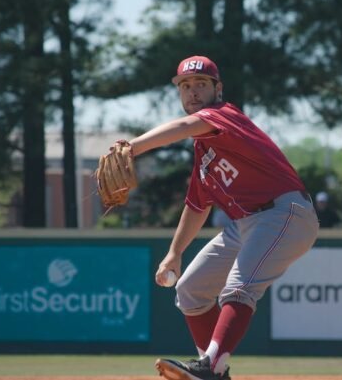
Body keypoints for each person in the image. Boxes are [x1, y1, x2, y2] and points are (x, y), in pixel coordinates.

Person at [125, 55, 319, 380]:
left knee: (238, 288)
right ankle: (216, 370)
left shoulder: (224, 116)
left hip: (285, 213)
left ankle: (211, 367)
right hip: (244, 225)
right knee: (190, 289)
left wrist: (132, 147)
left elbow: (185, 126)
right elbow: (197, 205)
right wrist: (174, 254)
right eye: (185, 86)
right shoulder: (204, 153)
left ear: (218, 88)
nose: (193, 92)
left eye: (201, 84)